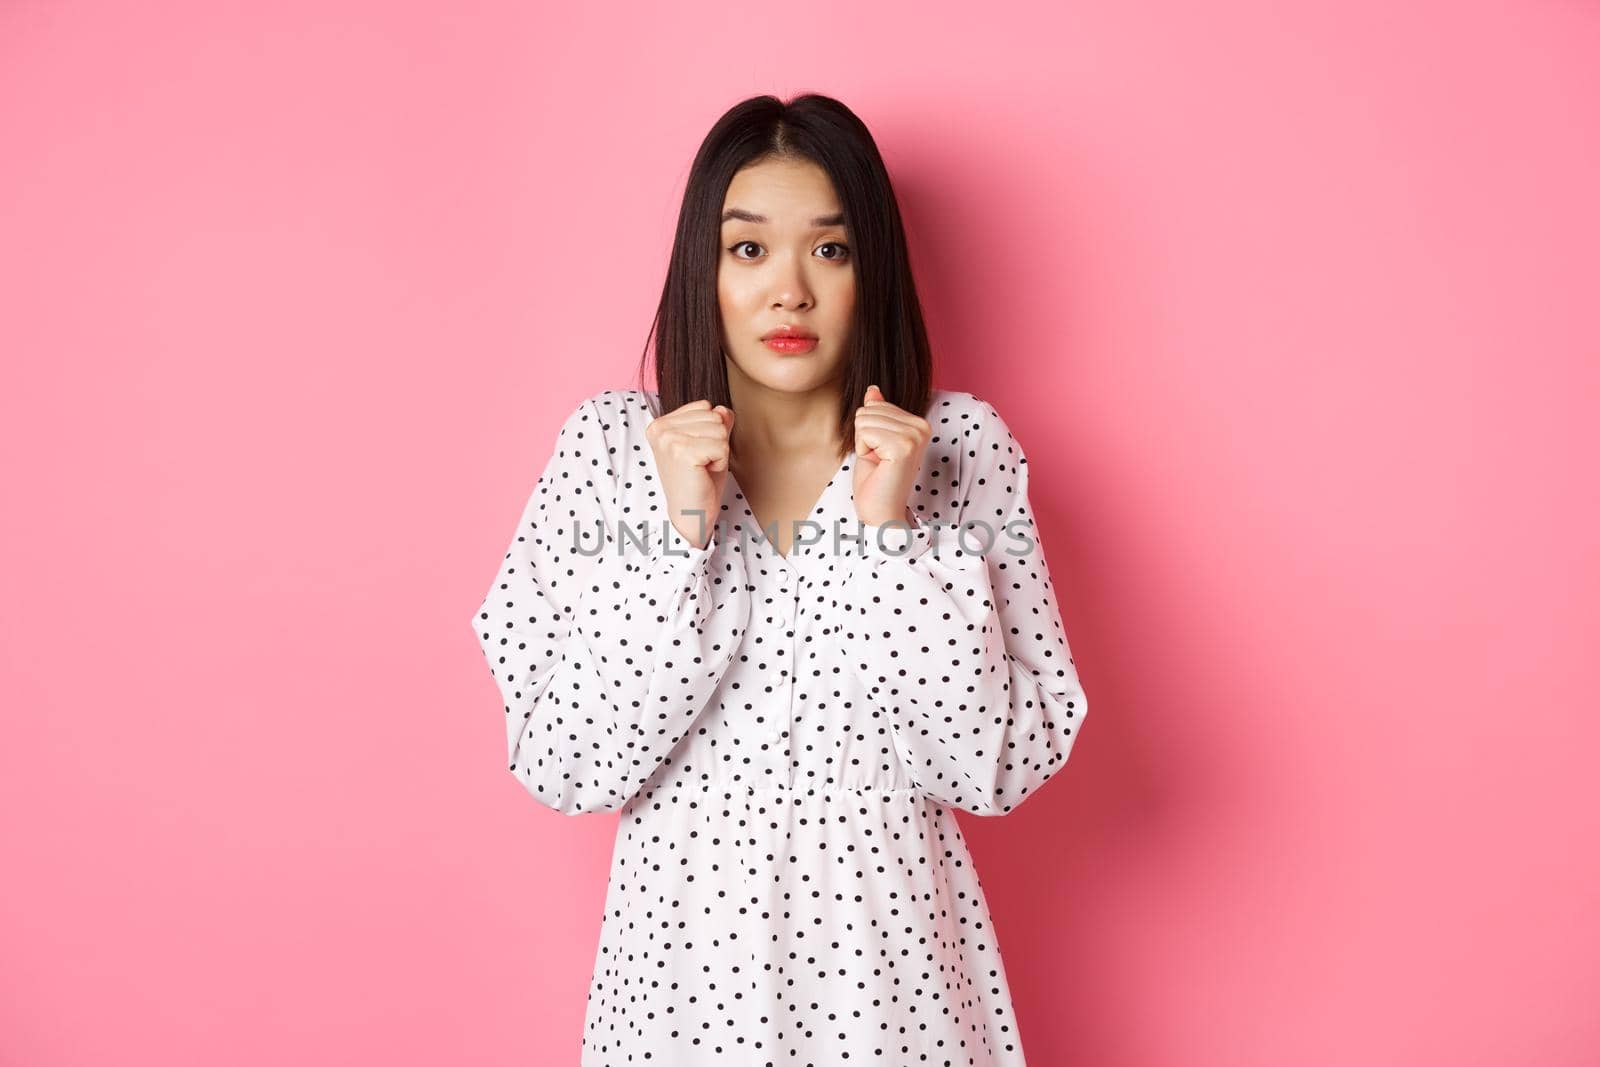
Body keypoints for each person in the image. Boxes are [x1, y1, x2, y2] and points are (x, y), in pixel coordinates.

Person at [469, 92, 1089, 1066]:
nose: (788, 290)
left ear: (869, 270)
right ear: (703, 271)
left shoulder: (961, 450)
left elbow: (997, 764)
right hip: (676, 1017)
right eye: (749, 249)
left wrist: (888, 540)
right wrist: (677, 534)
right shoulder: (608, 453)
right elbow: (564, 759)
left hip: (898, 1012)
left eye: (829, 250)